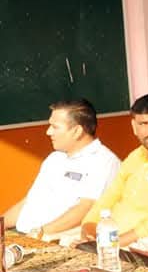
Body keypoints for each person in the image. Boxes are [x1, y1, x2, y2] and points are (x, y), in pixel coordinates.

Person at [79, 94, 148, 263]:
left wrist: (115, 242)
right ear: (134, 126)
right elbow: (108, 198)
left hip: (142, 248)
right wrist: (89, 228)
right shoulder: (135, 156)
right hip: (110, 241)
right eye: (143, 124)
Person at [3, 99, 119, 245]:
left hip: (52, 241)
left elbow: (85, 208)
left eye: (55, 127)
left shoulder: (104, 162)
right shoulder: (54, 158)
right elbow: (30, 200)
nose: (48, 132)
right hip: (23, 235)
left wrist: (40, 233)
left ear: (77, 131)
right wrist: (2, 224)